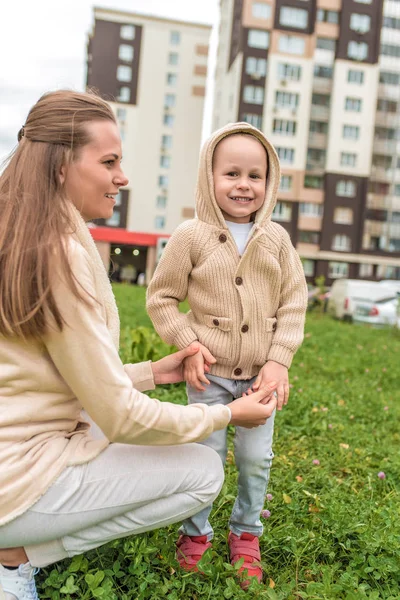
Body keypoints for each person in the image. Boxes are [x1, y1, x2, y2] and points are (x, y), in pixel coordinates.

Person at [0, 92, 278, 600]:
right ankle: (16, 557)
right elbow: (122, 417)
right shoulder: (60, 256)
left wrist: (154, 371)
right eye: (109, 162)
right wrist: (227, 415)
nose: (121, 177)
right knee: (202, 471)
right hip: (15, 484)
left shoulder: (26, 237)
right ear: (63, 166)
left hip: (11, 461)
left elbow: (53, 375)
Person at [147, 122, 308, 585]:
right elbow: (161, 298)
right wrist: (187, 343)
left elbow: (293, 303)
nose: (243, 185)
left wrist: (278, 361)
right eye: (231, 173)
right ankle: (196, 532)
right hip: (209, 377)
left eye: (255, 176)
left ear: (268, 182)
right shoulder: (191, 236)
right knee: (206, 454)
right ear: (208, 177)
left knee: (257, 458)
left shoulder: (276, 239)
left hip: (259, 380)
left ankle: (246, 532)